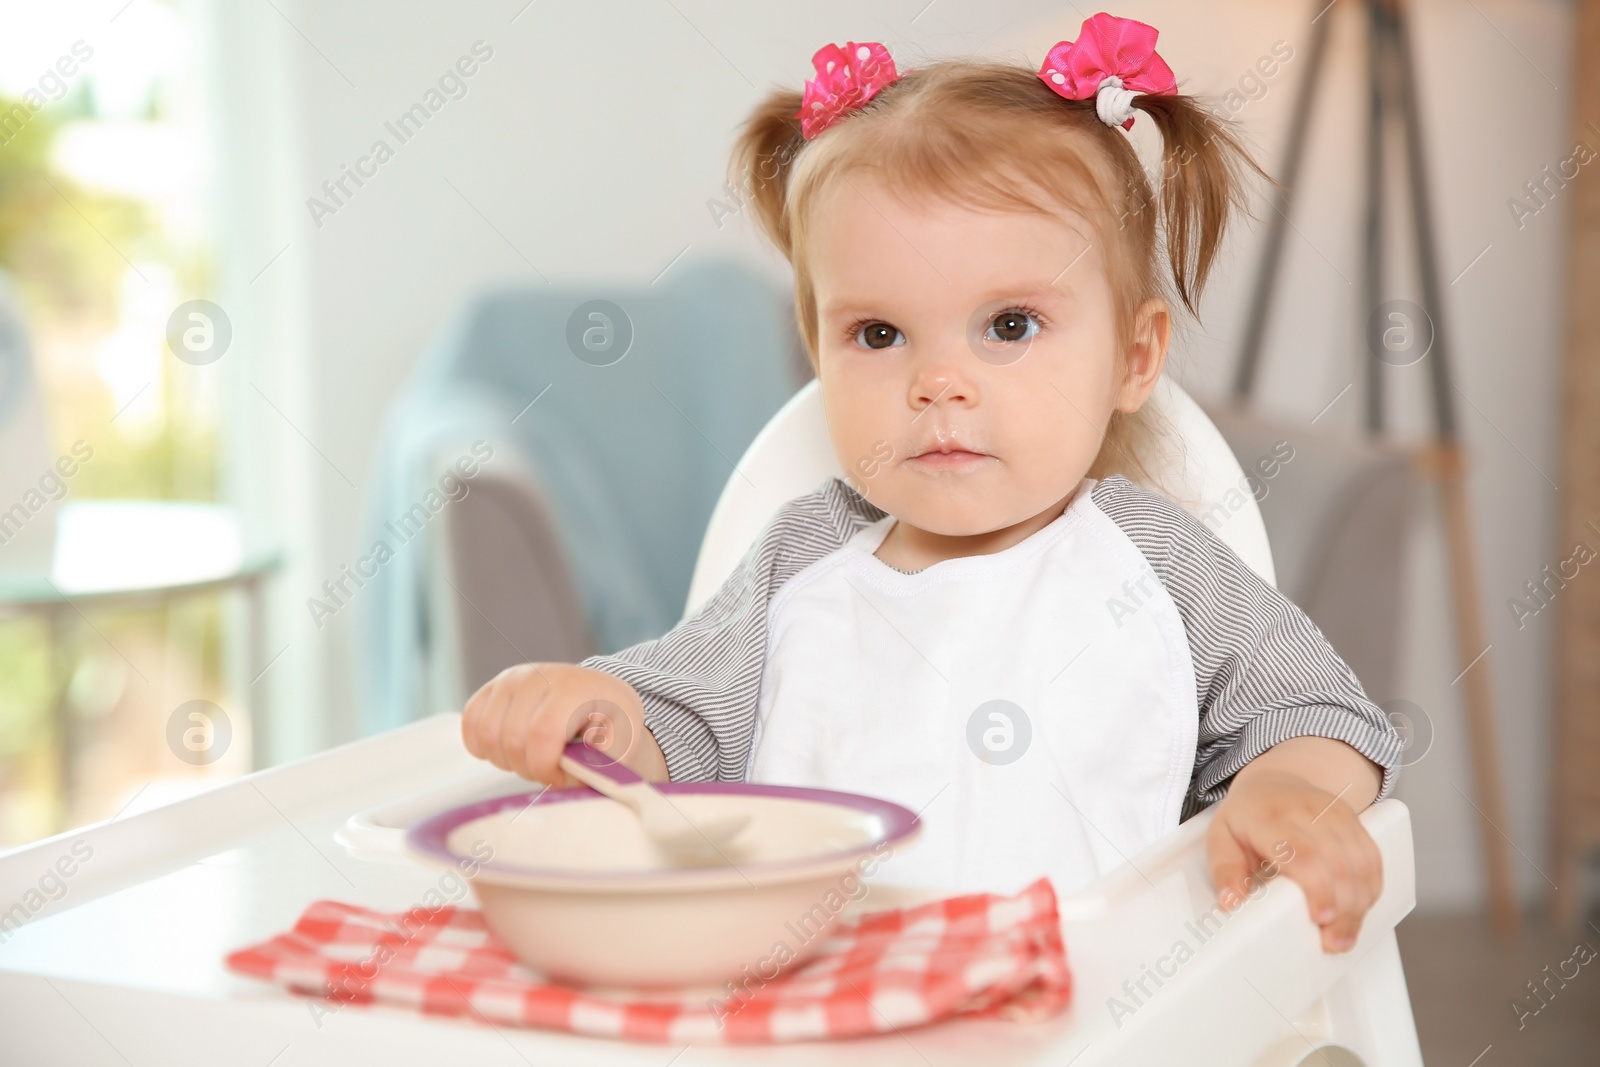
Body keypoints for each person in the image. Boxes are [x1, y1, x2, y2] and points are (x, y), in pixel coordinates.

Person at [461, 13, 1402, 955]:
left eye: (1008, 325)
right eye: (878, 335)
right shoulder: (801, 561)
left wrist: (1293, 787)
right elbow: (685, 722)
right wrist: (603, 717)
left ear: (1134, 354)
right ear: (818, 354)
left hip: (1102, 1010)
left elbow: (1312, 709)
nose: (938, 383)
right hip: (822, 1004)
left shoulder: (1157, 563)